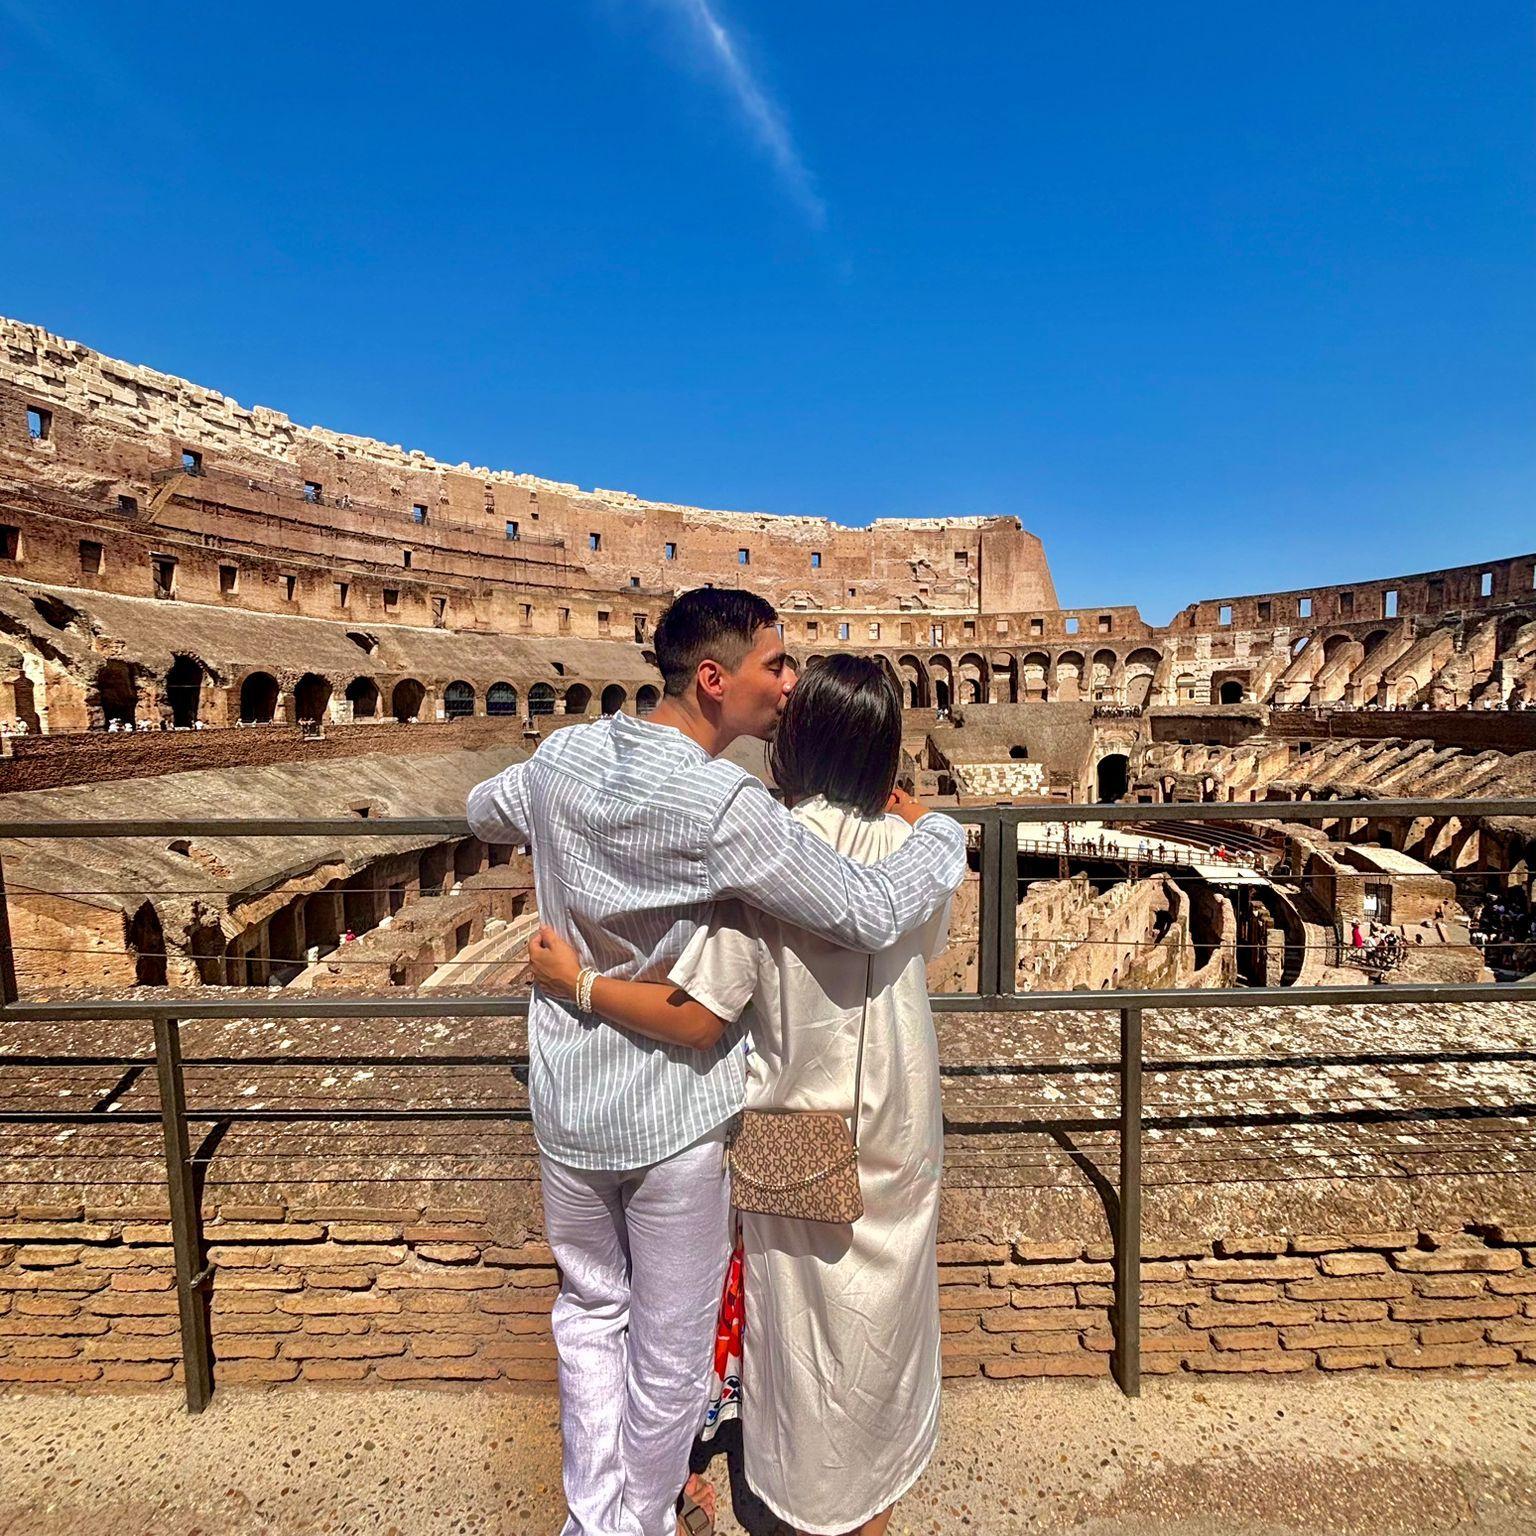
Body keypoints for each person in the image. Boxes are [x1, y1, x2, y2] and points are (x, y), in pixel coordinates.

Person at [467, 591, 965, 1536]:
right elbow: (882, 917)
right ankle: (815, 1504)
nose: (783, 681)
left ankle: (647, 1513)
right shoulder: (800, 828)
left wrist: (569, 943)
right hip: (809, 1121)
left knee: (729, 1325)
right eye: (774, 663)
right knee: (811, 1327)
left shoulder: (596, 772)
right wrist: (939, 830)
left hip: (681, 1111)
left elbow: (485, 811)